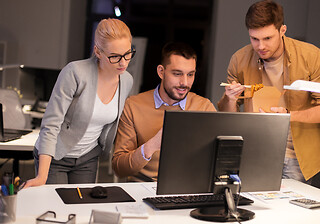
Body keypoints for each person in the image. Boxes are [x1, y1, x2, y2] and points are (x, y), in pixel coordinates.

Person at [218, 0, 320, 183]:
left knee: (291, 211)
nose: (260, 46)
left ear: (282, 30)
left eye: (267, 38)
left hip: (296, 157)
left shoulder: (311, 56)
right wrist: (230, 99)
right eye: (254, 39)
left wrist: (289, 116)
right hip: (253, 152)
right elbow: (228, 116)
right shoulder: (239, 59)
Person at [24, 18, 134, 187]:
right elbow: (51, 124)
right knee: (56, 209)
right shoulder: (75, 72)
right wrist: (41, 177)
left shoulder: (126, 80)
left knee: (80, 208)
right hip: (55, 155)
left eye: (127, 54)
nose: (123, 62)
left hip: (87, 157)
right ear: (97, 52)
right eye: (114, 57)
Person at [112, 42, 216, 181]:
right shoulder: (133, 106)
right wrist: (151, 146)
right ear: (161, 72)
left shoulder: (204, 107)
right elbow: (120, 169)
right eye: (177, 74)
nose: (184, 82)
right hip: (143, 187)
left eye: (190, 75)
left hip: (188, 188)